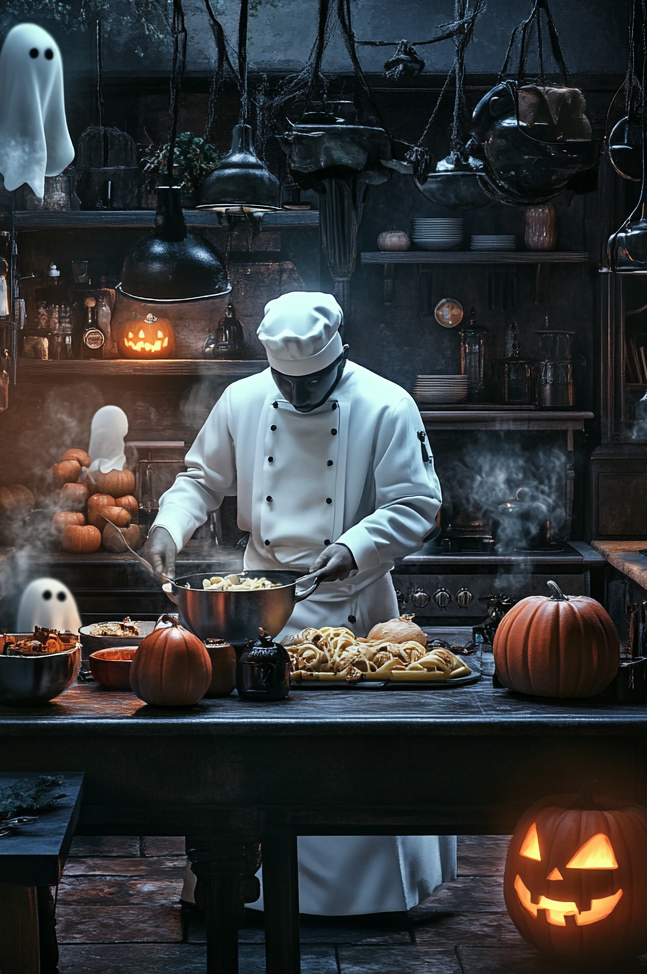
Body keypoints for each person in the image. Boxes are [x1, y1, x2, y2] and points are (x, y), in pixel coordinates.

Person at [144, 291, 455, 916]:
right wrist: (167, 528)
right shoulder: (243, 399)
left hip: (352, 602)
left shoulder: (387, 404)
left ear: (339, 361)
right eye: (286, 381)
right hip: (259, 603)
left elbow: (418, 506)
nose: (298, 394)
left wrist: (353, 547)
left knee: (353, 753)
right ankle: (242, 888)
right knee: (255, 751)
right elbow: (201, 480)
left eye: (311, 382)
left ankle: (370, 897)